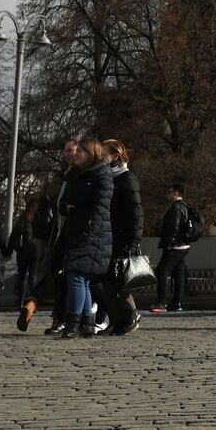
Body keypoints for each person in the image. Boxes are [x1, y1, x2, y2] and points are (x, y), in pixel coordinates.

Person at [55, 138, 115, 338]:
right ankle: (87, 322)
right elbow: (65, 200)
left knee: (76, 276)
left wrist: (90, 227)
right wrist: (66, 207)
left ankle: (74, 321)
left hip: (91, 234)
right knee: (82, 278)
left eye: (80, 151)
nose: (75, 154)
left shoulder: (102, 175)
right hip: (77, 229)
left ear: (91, 154)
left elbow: (101, 207)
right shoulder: (78, 174)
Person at [92, 140, 143, 335]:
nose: (102, 157)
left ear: (116, 155)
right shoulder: (107, 177)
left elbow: (136, 211)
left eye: (105, 154)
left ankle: (131, 315)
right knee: (107, 280)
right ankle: (115, 320)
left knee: (120, 280)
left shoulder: (126, 178)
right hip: (108, 234)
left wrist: (134, 240)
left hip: (122, 236)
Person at [152, 185, 197, 313]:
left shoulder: (176, 207)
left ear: (176, 193)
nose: (168, 194)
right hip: (184, 245)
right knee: (178, 273)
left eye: (170, 191)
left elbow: (173, 226)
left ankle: (161, 301)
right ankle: (176, 302)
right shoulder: (185, 206)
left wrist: (169, 242)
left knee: (162, 271)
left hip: (175, 246)